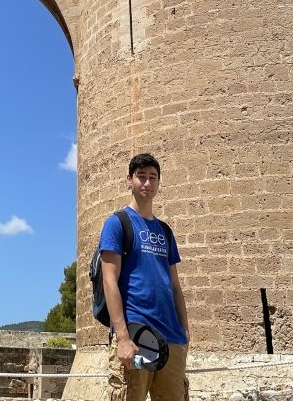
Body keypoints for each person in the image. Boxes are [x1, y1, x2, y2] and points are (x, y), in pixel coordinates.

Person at [99, 153, 189, 401]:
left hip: (172, 340)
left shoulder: (165, 231)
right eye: (141, 177)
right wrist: (123, 337)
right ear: (129, 180)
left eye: (152, 178)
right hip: (136, 336)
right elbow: (109, 281)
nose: (147, 184)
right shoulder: (117, 224)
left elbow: (175, 286)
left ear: (159, 182)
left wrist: (185, 334)